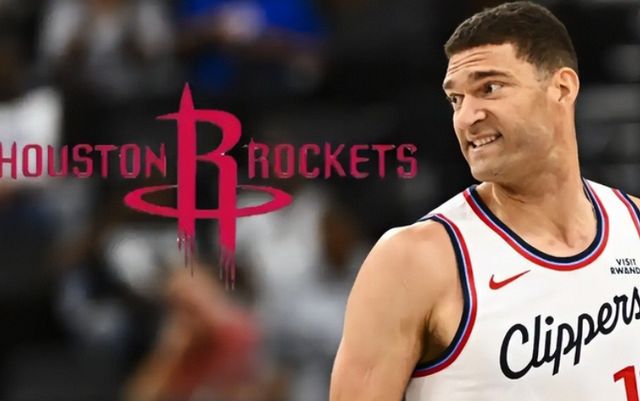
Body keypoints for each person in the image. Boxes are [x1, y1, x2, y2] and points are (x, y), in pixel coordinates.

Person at [329, 2, 640, 401]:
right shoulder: (415, 260)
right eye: (456, 99)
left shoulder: (633, 226)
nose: (466, 117)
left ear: (562, 88)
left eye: (489, 88)